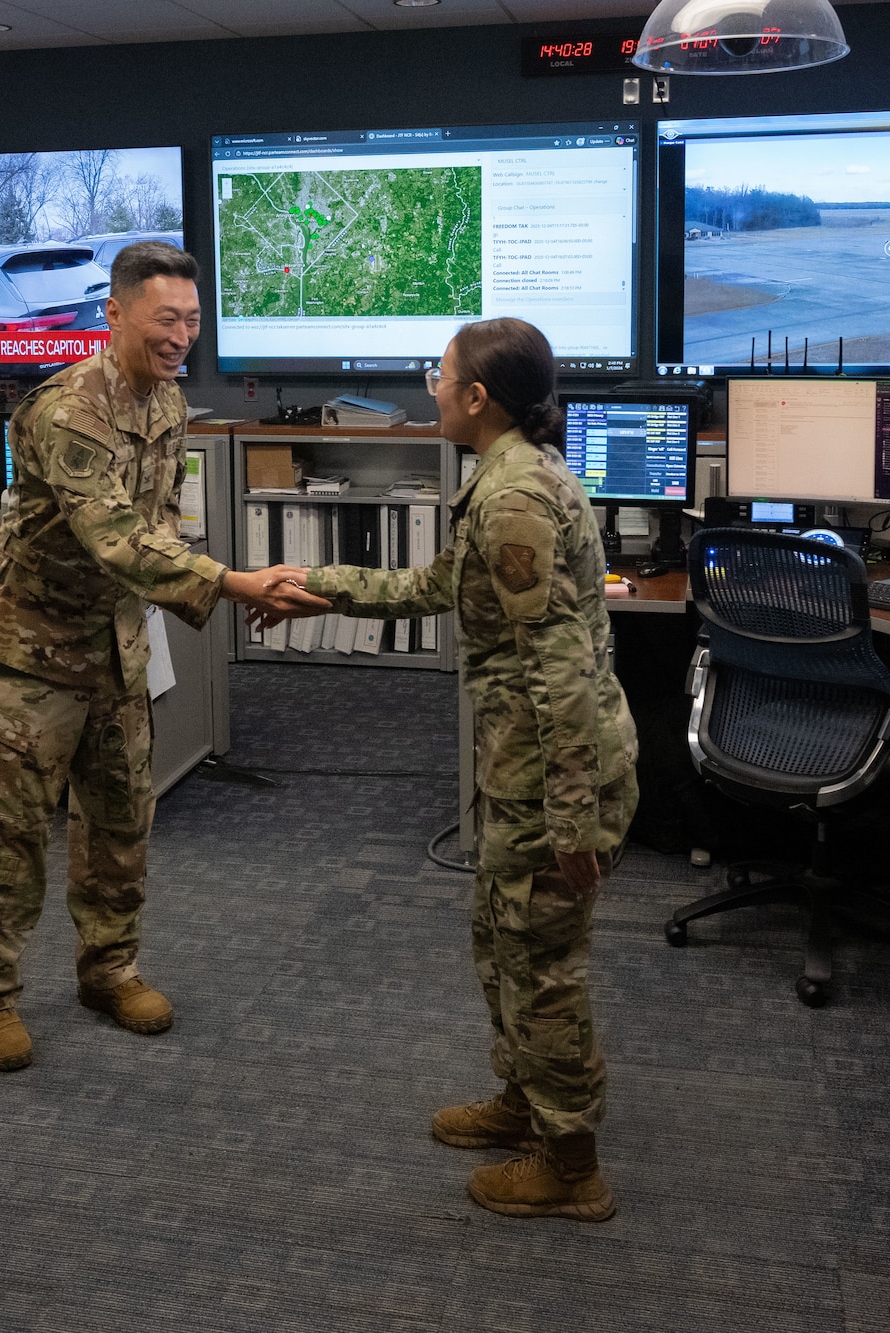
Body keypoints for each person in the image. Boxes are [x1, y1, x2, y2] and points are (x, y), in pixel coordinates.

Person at [256, 318, 638, 1221]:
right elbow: (434, 589)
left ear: (477, 397)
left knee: (545, 966)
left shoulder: (513, 498)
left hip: (553, 779)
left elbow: (561, 673)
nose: (430, 385)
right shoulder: (501, 476)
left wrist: (574, 820)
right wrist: (318, 583)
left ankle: (571, 1164)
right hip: (525, 769)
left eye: (441, 373)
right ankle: (524, 1104)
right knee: (504, 943)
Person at [0, 241, 325, 1072]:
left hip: (116, 648)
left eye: (192, 320)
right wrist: (235, 584)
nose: (181, 335)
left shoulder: (167, 406)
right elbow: (116, 539)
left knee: (120, 825)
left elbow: (155, 529)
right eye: (166, 318)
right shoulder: (68, 409)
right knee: (9, 835)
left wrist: (229, 589)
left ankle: (108, 969)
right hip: (35, 651)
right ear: (115, 312)